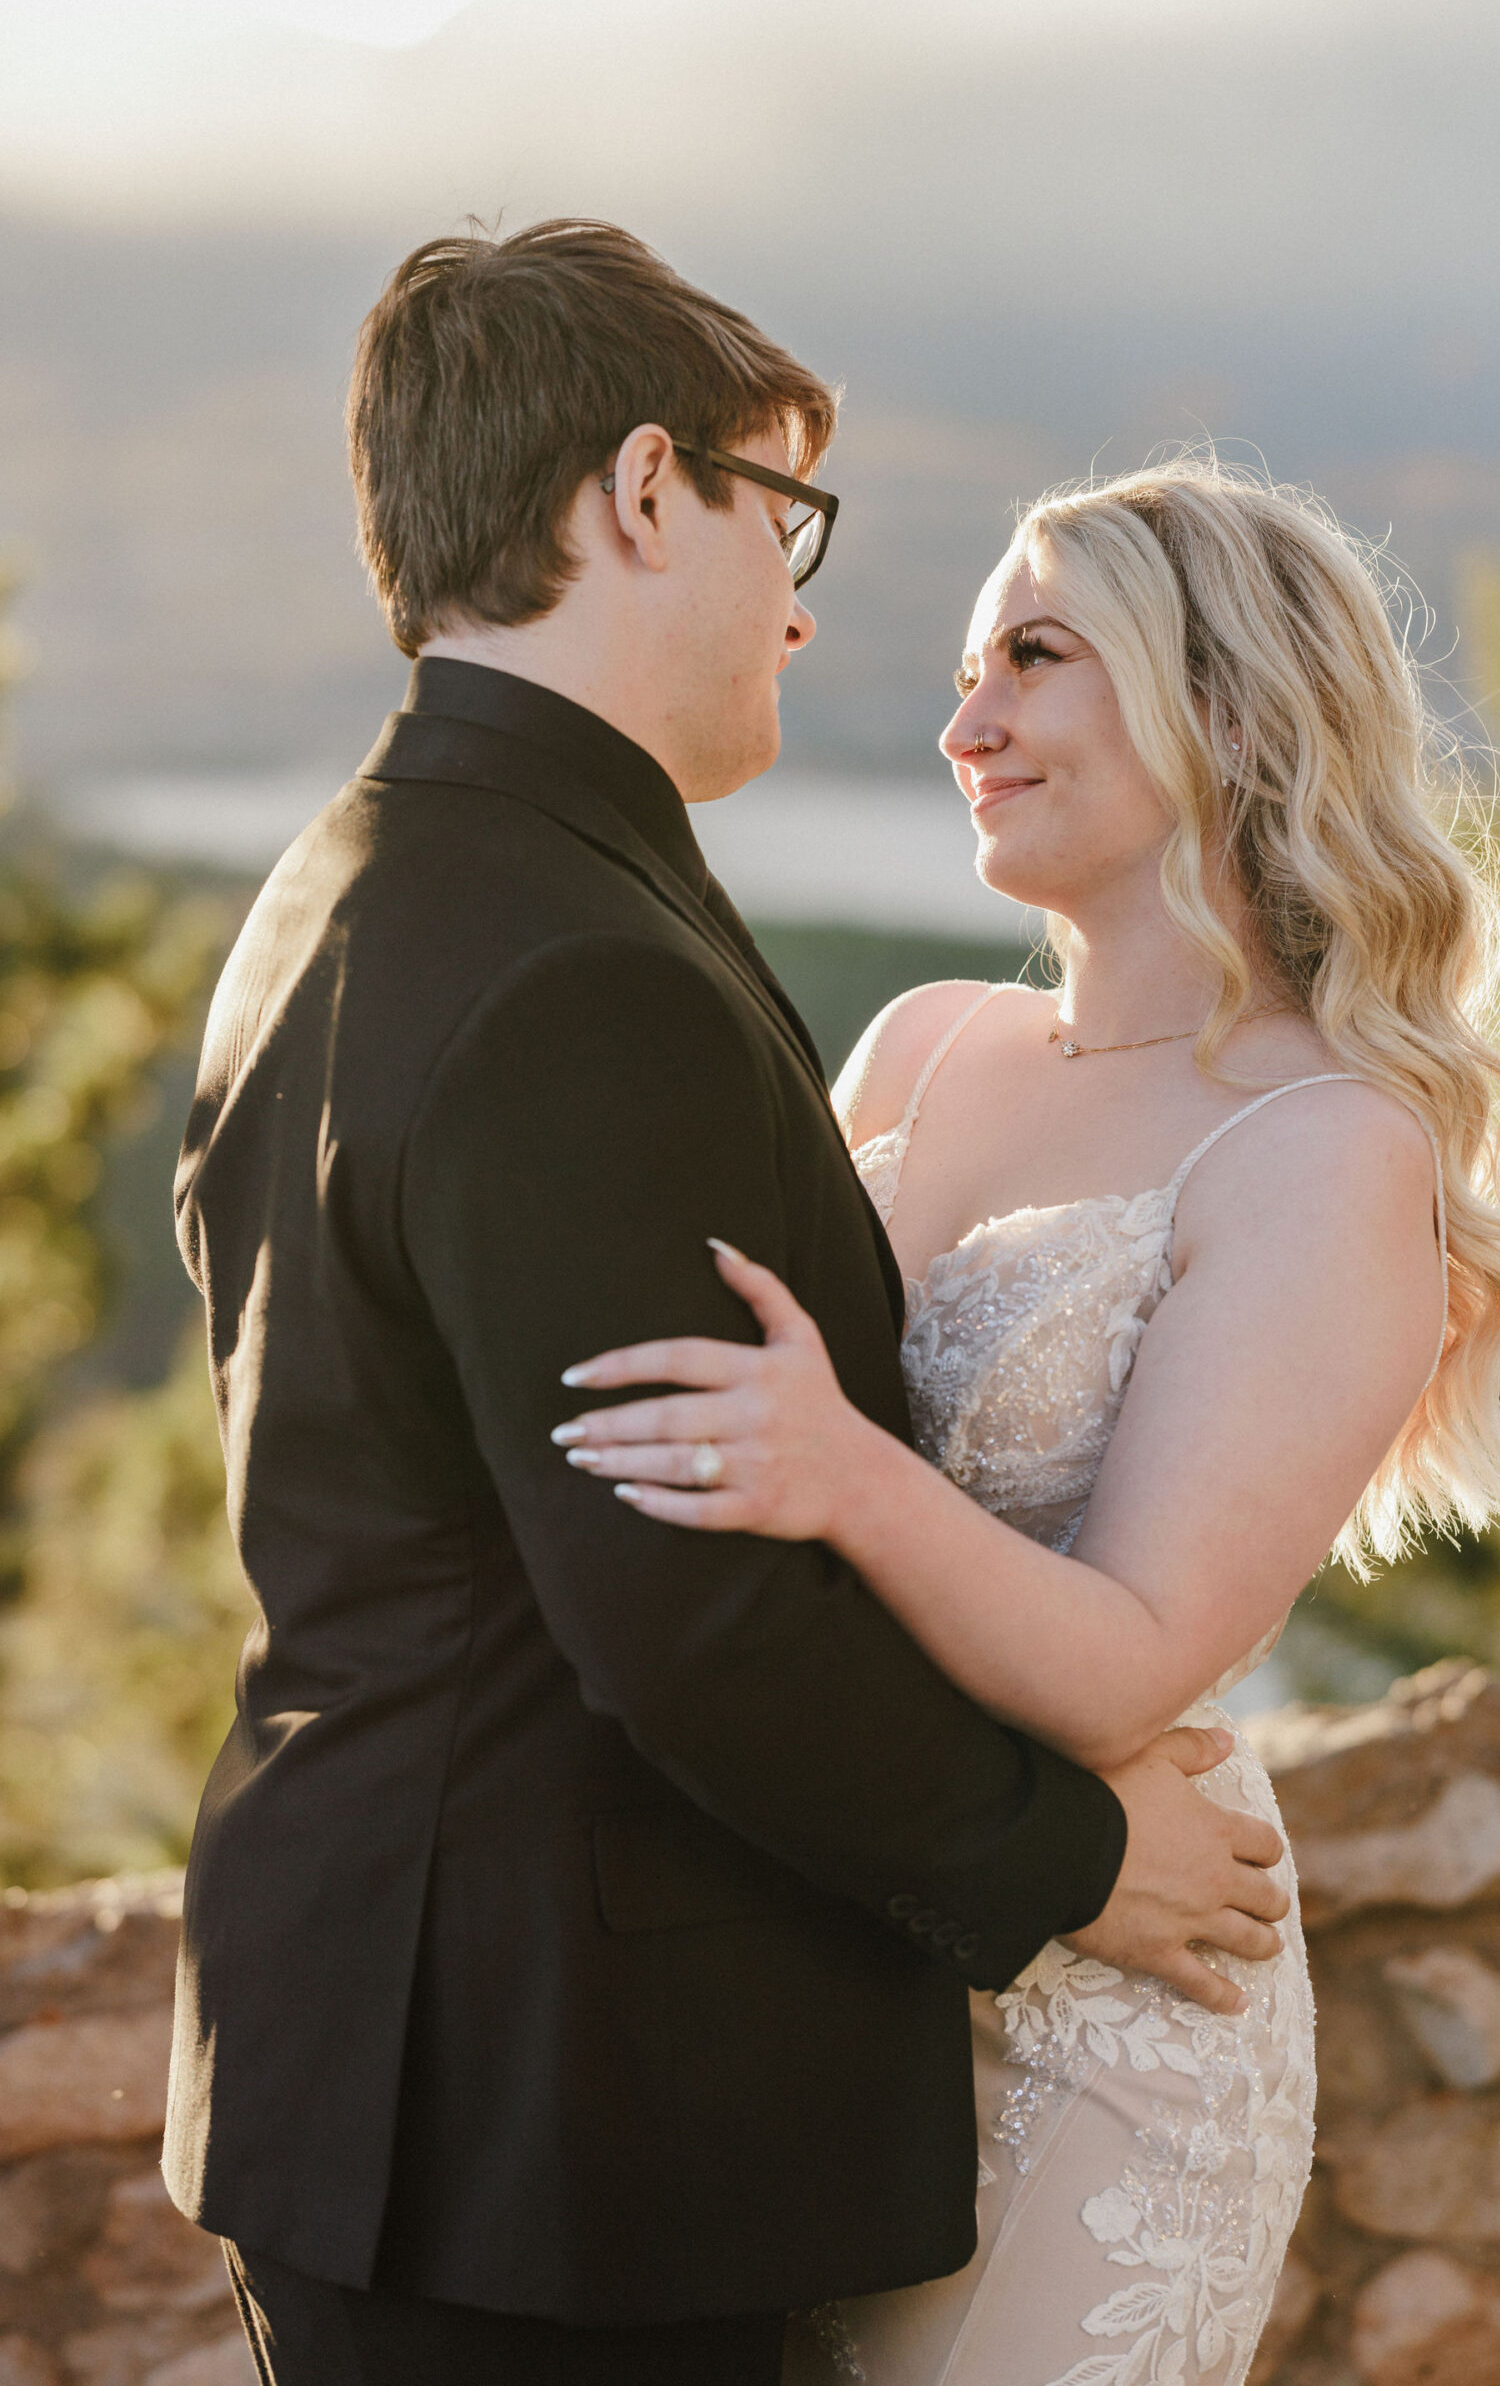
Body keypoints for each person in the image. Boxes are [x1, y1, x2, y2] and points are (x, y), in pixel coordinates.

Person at [163, 224, 1290, 2386]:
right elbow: (684, 1600)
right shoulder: (578, 964)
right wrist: (1071, 1859)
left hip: (384, 2045)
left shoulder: (343, 883)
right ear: (643, 489)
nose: (798, 595)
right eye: (787, 515)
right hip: (562, 2108)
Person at [556, 459, 1500, 2386]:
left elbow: (1125, 1667)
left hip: (1108, 2015)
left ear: (1235, 708)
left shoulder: (1329, 1151)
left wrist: (837, 1472)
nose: (964, 723)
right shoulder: (923, 1046)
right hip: (830, 1944)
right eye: (963, 667)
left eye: (1035, 654)